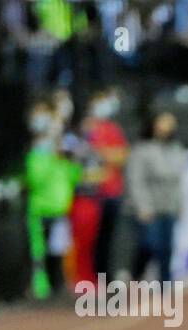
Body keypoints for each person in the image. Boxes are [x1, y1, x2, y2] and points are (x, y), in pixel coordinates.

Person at [71, 87, 129, 288]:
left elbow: (122, 156)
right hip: (93, 195)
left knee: (110, 240)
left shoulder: (112, 129)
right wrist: (105, 154)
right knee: (93, 242)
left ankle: (107, 280)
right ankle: (95, 281)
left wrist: (101, 152)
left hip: (112, 193)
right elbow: (81, 158)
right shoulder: (86, 130)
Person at [23, 98, 80, 299]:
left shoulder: (61, 152)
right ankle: (40, 288)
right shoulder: (36, 153)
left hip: (60, 209)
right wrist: (48, 155)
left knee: (59, 250)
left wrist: (66, 158)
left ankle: (58, 286)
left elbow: (74, 175)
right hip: (40, 209)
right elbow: (35, 179)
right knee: (39, 253)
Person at [127, 111, 185, 283]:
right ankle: (135, 275)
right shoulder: (142, 149)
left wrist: (180, 204)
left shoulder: (176, 149)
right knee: (149, 244)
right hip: (149, 206)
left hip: (169, 206)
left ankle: (165, 285)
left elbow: (179, 180)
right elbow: (135, 180)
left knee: (167, 248)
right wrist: (143, 206)